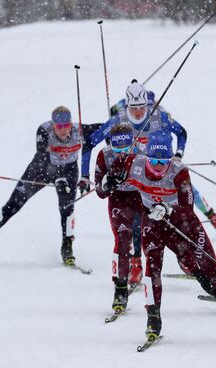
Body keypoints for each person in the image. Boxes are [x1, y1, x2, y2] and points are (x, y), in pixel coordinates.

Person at [105, 130, 216, 341]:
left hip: (184, 226)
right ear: (146, 157)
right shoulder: (133, 164)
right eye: (153, 160)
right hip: (153, 227)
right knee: (152, 270)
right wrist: (109, 180)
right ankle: (153, 320)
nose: (158, 166)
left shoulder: (179, 171)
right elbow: (108, 178)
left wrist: (167, 210)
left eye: (163, 161)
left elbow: (188, 208)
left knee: (211, 268)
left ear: (171, 158)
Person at [83, 80, 216, 283]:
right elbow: (90, 143)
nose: (139, 112)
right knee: (140, 221)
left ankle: (210, 229)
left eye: (142, 107)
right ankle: (137, 263)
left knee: (188, 197)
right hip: (138, 177)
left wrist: (178, 155)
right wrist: (86, 175)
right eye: (134, 108)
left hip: (163, 167)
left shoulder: (158, 115)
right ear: (126, 106)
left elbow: (181, 132)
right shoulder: (118, 120)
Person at [0, 106, 83, 265]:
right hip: (41, 170)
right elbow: (42, 155)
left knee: (67, 208)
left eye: (65, 125)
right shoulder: (44, 130)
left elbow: (106, 130)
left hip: (69, 171)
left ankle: (67, 246)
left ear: (70, 123)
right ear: (53, 124)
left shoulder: (79, 130)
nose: (62, 129)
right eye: (58, 126)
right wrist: (58, 177)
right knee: (13, 204)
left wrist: (119, 112)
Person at [94, 123, 143, 313]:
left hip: (140, 197)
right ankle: (120, 289)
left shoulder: (141, 151)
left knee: (147, 238)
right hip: (119, 200)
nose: (122, 152)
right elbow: (99, 191)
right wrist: (109, 181)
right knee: (122, 240)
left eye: (126, 147)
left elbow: (155, 178)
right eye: (117, 147)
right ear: (110, 144)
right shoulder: (104, 155)